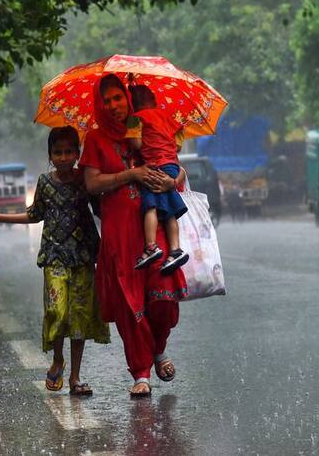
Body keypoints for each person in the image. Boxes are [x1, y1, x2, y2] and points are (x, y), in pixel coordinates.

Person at [80, 74, 187, 397]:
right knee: (131, 303)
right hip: (120, 233)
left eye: (118, 98)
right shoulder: (96, 140)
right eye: (107, 100)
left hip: (153, 232)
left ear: (129, 98)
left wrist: (173, 181)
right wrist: (131, 173)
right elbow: (92, 184)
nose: (114, 106)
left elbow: (176, 168)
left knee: (164, 295)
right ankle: (140, 371)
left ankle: (158, 348)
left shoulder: (146, 126)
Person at [0, 126, 110, 396]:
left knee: (80, 316)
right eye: (57, 152)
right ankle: (58, 359)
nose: (63, 157)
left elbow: (103, 210)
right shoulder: (45, 183)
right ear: (50, 155)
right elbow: (34, 215)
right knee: (56, 311)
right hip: (54, 257)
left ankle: (75, 377)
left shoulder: (86, 180)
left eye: (69, 151)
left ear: (77, 154)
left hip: (83, 256)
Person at [126, 84, 188, 274]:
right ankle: (175, 249)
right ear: (154, 101)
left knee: (150, 207)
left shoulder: (135, 118)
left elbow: (136, 143)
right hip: (172, 167)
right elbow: (177, 147)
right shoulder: (169, 118)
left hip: (154, 167)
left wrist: (131, 132)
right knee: (169, 212)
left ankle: (151, 246)